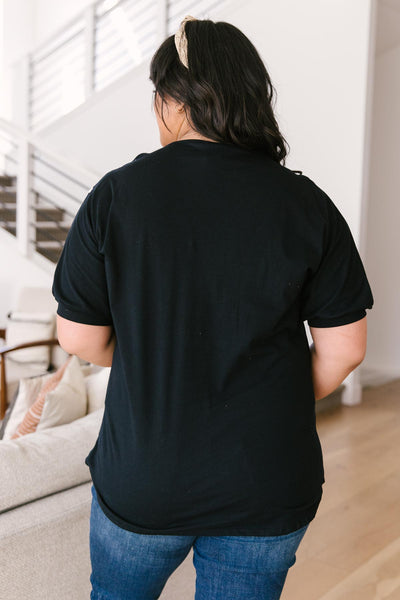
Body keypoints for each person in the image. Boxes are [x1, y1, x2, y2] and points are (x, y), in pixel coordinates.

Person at [51, 15, 374, 600]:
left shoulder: (116, 197)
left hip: (145, 475)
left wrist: (150, 362)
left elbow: (77, 337)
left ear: (173, 100)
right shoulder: (307, 204)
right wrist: (276, 394)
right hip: (266, 478)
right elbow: (346, 348)